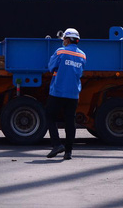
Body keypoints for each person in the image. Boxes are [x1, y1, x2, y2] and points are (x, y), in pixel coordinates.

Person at [45, 28, 86, 160]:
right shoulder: (82, 55)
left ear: (67, 39)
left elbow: (51, 67)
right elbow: (80, 73)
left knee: (50, 117)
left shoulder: (60, 51)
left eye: (64, 39)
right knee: (70, 121)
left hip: (58, 91)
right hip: (73, 93)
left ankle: (57, 144)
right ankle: (68, 152)